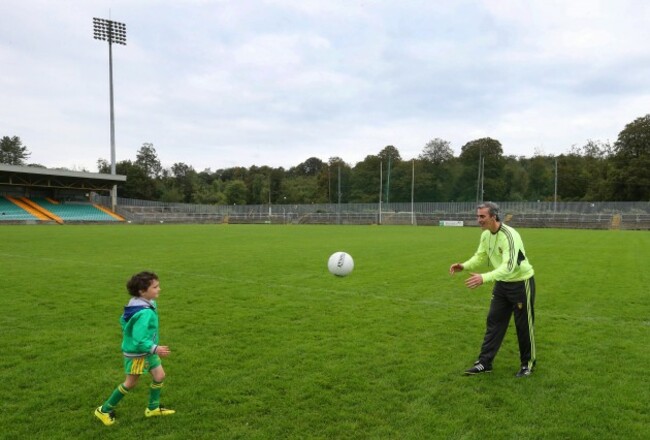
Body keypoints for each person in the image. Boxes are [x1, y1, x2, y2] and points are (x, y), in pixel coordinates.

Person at [449, 202, 536, 378]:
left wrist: (484, 277)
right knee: (494, 322)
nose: (478, 220)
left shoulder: (510, 236)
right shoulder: (486, 235)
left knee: (523, 326)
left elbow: (510, 267)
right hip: (501, 284)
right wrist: (463, 266)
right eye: (478, 216)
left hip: (520, 283)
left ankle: (527, 364)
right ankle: (484, 362)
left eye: (482, 216)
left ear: (494, 216)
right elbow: (480, 256)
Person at [94, 271, 176, 425]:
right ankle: (103, 410)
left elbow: (124, 320)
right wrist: (154, 348)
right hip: (138, 354)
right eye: (155, 287)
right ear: (142, 291)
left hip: (147, 350)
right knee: (130, 383)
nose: (159, 289)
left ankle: (152, 408)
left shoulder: (137, 303)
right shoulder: (144, 312)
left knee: (159, 376)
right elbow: (139, 340)